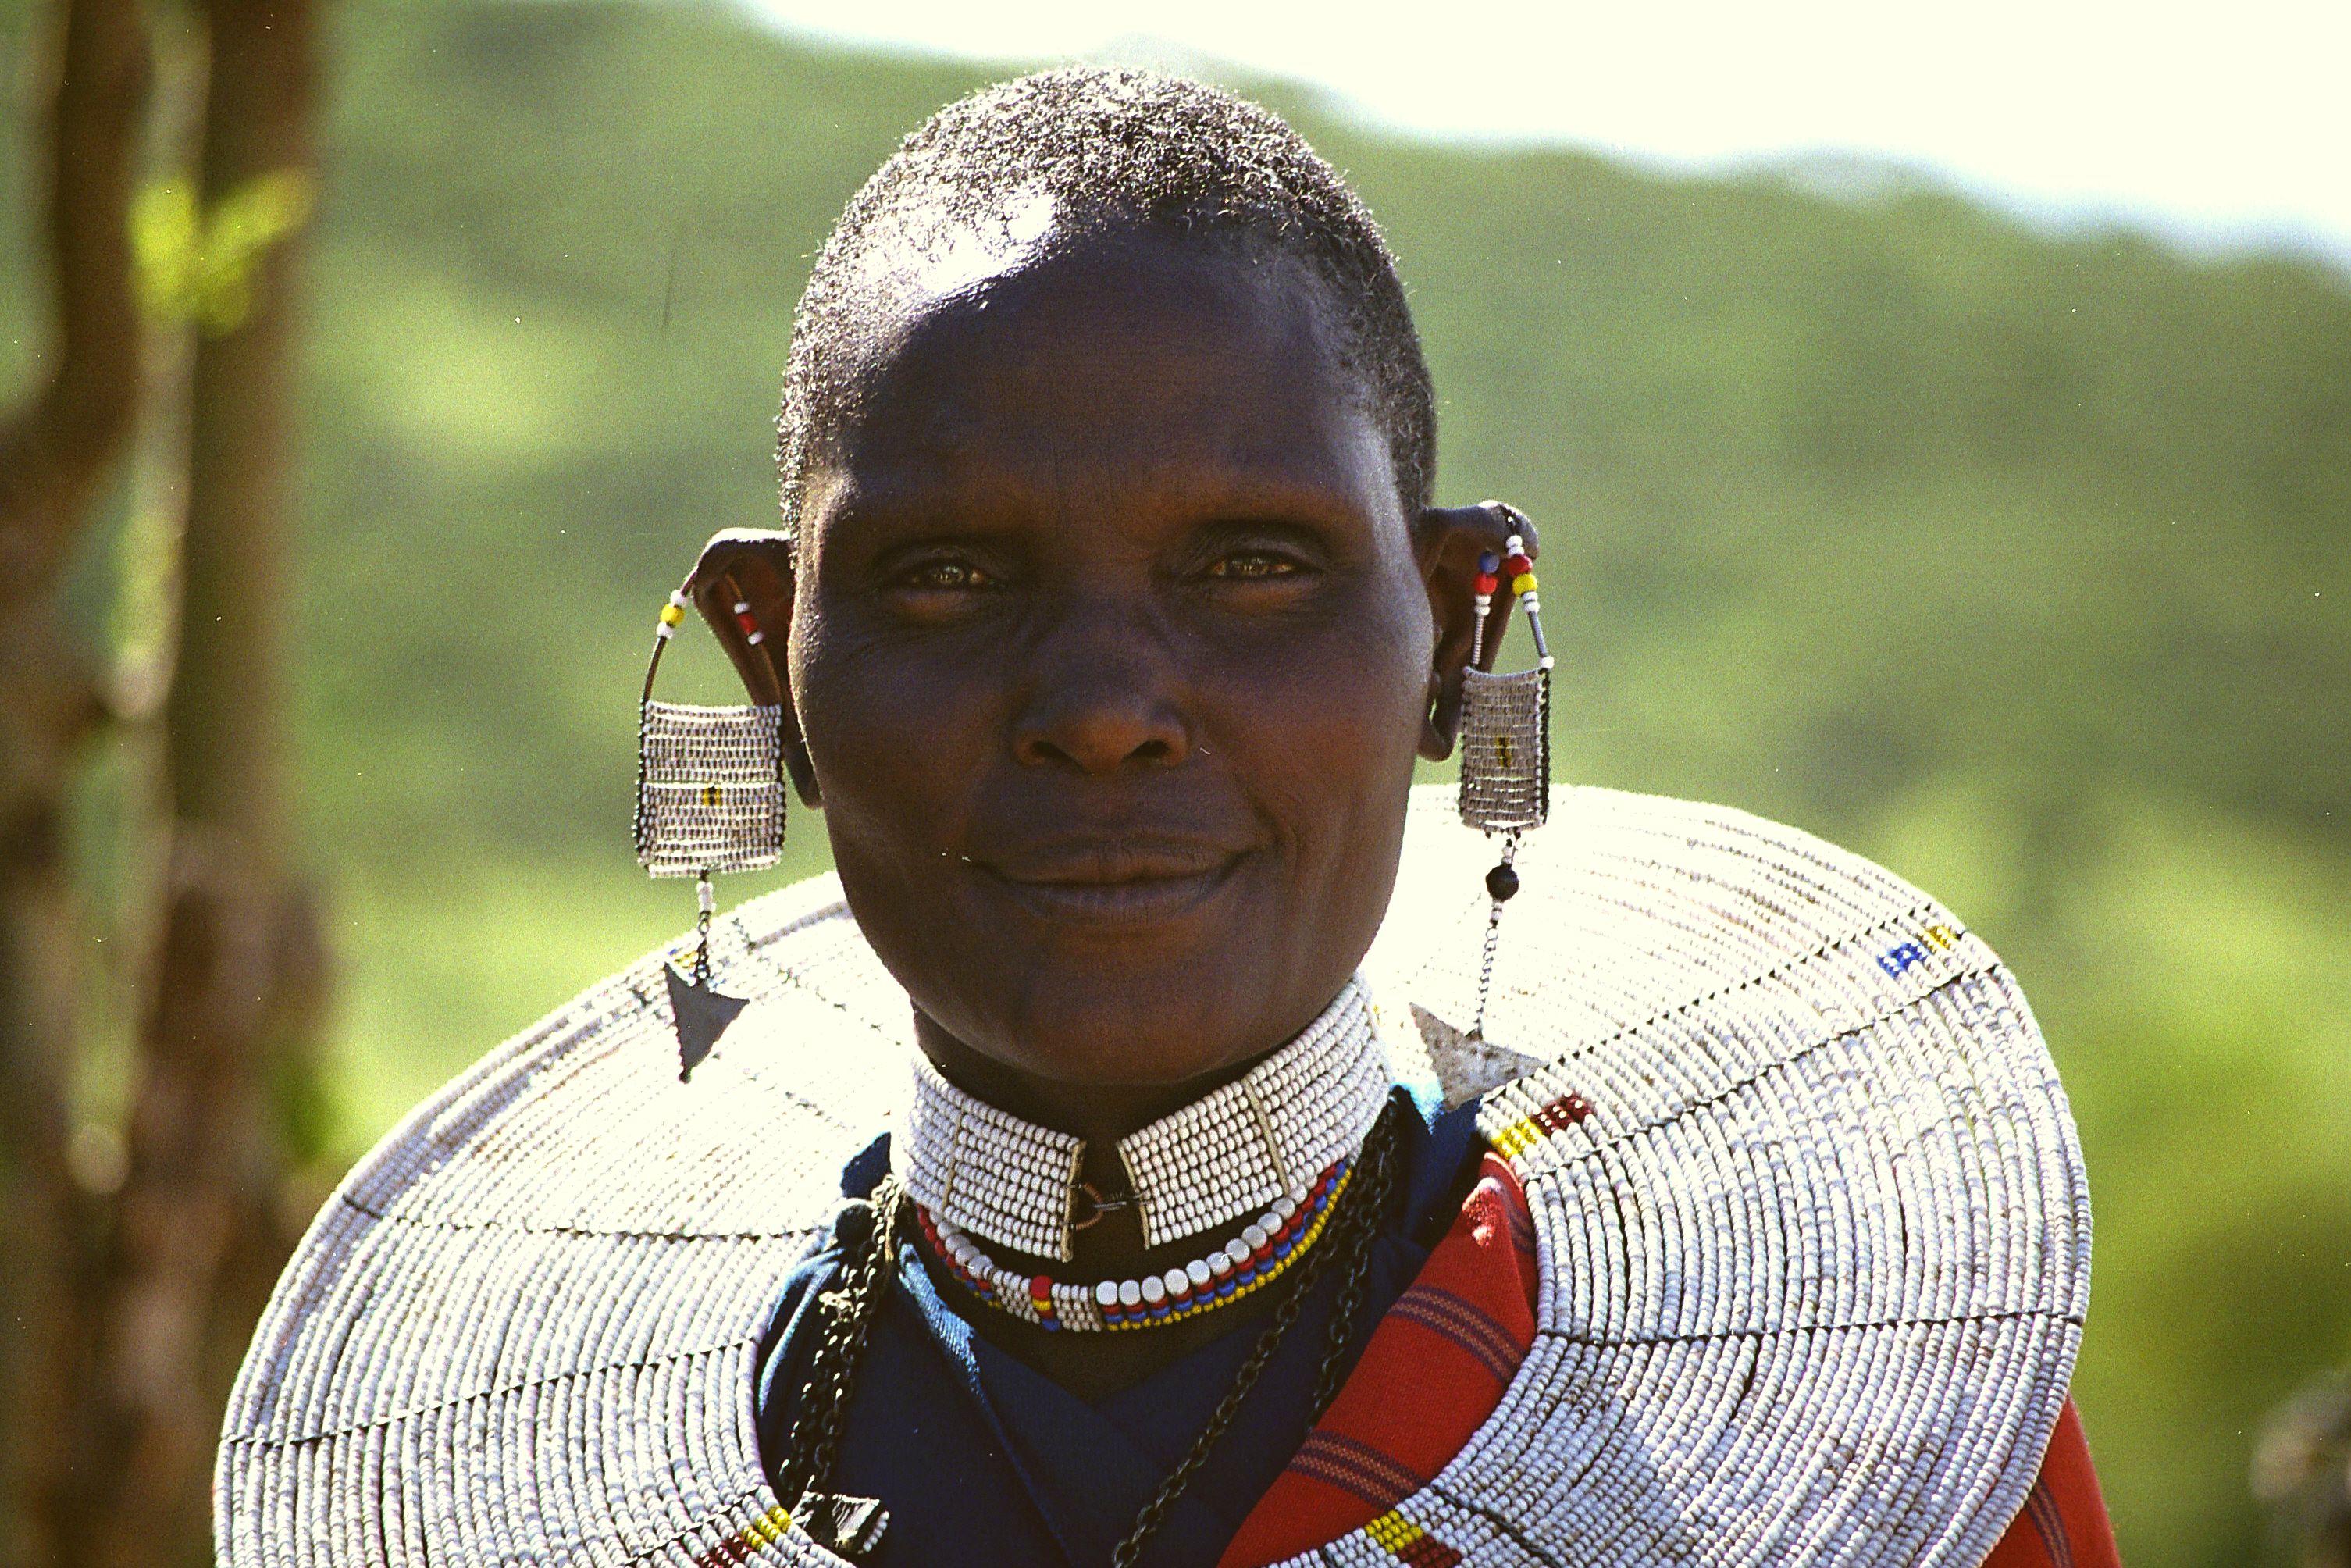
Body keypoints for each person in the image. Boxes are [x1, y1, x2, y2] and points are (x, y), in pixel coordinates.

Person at [216, 69, 2120, 1568]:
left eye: (1254, 562)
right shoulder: (648, 1466)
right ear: (770, 656)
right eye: (951, 574)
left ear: (1456, 636)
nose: (1109, 707)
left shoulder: (1875, 1439)